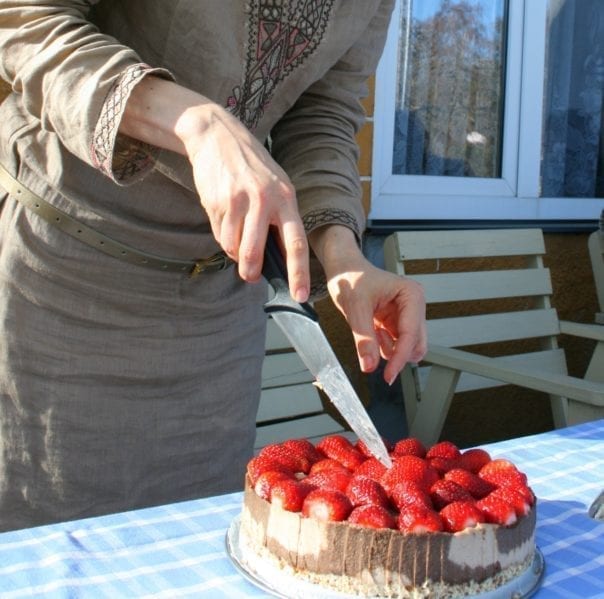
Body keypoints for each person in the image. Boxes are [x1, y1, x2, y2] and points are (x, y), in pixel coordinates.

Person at [0, 0, 426, 532]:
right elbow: (23, 21)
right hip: (62, 277)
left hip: (219, 314)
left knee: (196, 542)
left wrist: (342, 253)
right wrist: (194, 122)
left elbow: (323, 115)